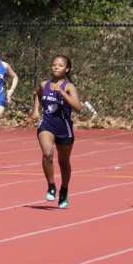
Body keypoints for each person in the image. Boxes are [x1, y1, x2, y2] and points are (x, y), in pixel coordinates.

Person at [31, 55, 82, 209]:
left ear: (67, 69)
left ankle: (64, 190)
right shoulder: (44, 84)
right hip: (47, 124)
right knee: (47, 154)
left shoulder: (69, 87)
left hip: (64, 128)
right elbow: (37, 94)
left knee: (63, 162)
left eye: (60, 65)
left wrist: (62, 93)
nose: (56, 67)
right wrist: (35, 110)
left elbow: (78, 107)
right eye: (54, 64)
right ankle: (51, 186)